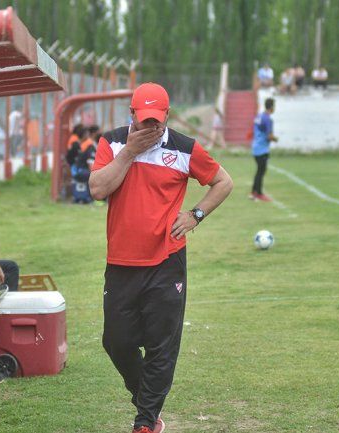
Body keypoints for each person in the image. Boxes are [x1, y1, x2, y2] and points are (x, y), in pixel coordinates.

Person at [89, 82, 233, 433]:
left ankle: (145, 422)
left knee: (161, 346)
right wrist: (128, 154)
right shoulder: (112, 142)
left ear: (166, 117)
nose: (150, 128)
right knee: (116, 342)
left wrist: (195, 215)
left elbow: (223, 182)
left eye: (157, 121)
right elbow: (97, 189)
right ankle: (146, 403)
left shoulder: (184, 148)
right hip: (122, 262)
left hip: (167, 262)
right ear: (131, 115)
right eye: (143, 121)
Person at [250, 98, 277, 202]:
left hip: (255, 147)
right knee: (261, 171)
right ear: (271, 107)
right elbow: (269, 136)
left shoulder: (259, 116)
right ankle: (259, 193)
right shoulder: (268, 119)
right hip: (262, 149)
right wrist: (275, 139)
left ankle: (253, 192)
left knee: (259, 171)